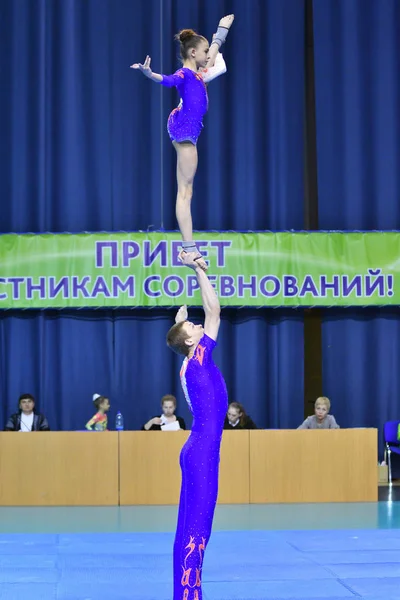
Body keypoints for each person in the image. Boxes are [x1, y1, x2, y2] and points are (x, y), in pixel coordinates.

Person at [131, 15, 234, 268]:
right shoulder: (186, 74)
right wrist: (149, 73)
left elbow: (213, 55)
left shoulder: (199, 71)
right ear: (192, 52)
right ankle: (188, 249)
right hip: (184, 131)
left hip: (187, 128)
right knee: (185, 192)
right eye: (204, 52)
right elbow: (167, 80)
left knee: (186, 190)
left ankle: (188, 248)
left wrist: (221, 31)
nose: (208, 56)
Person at [166, 250, 228, 600]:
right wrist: (198, 270)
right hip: (203, 451)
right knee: (197, 528)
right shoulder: (198, 359)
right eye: (193, 328)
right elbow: (215, 311)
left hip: (196, 449)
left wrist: (179, 321)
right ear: (190, 341)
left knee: (187, 526)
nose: (199, 327)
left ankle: (184, 594)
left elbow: (183, 334)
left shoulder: (189, 364)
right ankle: (190, 596)